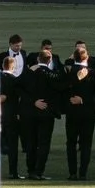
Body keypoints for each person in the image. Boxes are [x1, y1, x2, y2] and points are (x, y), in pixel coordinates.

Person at [23, 39, 63, 179]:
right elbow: (61, 87)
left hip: (30, 113)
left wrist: (33, 102)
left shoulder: (28, 72)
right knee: (44, 143)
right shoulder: (51, 75)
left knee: (31, 142)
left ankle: (30, 170)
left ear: (37, 59)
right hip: (46, 113)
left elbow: (20, 89)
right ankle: (39, 171)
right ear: (49, 60)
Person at [62, 41, 95, 181]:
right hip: (88, 113)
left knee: (71, 143)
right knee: (86, 144)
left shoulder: (67, 70)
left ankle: (72, 173)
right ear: (86, 58)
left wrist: (73, 99)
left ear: (74, 57)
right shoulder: (93, 73)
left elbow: (61, 88)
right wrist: (85, 100)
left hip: (72, 113)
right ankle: (83, 173)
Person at [0, 34, 26, 178]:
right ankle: (13, 172)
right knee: (13, 145)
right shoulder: (15, 82)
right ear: (13, 67)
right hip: (12, 115)